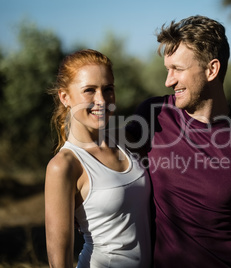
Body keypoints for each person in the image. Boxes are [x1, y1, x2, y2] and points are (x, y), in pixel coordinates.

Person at [127, 15, 231, 267]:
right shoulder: (153, 115)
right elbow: (101, 151)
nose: (168, 81)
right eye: (167, 69)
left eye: (178, 69)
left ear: (212, 69)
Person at [45, 49, 152, 268]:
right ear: (65, 97)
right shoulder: (64, 165)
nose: (101, 100)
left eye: (108, 89)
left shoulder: (126, 139)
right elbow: (60, 256)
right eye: (89, 91)